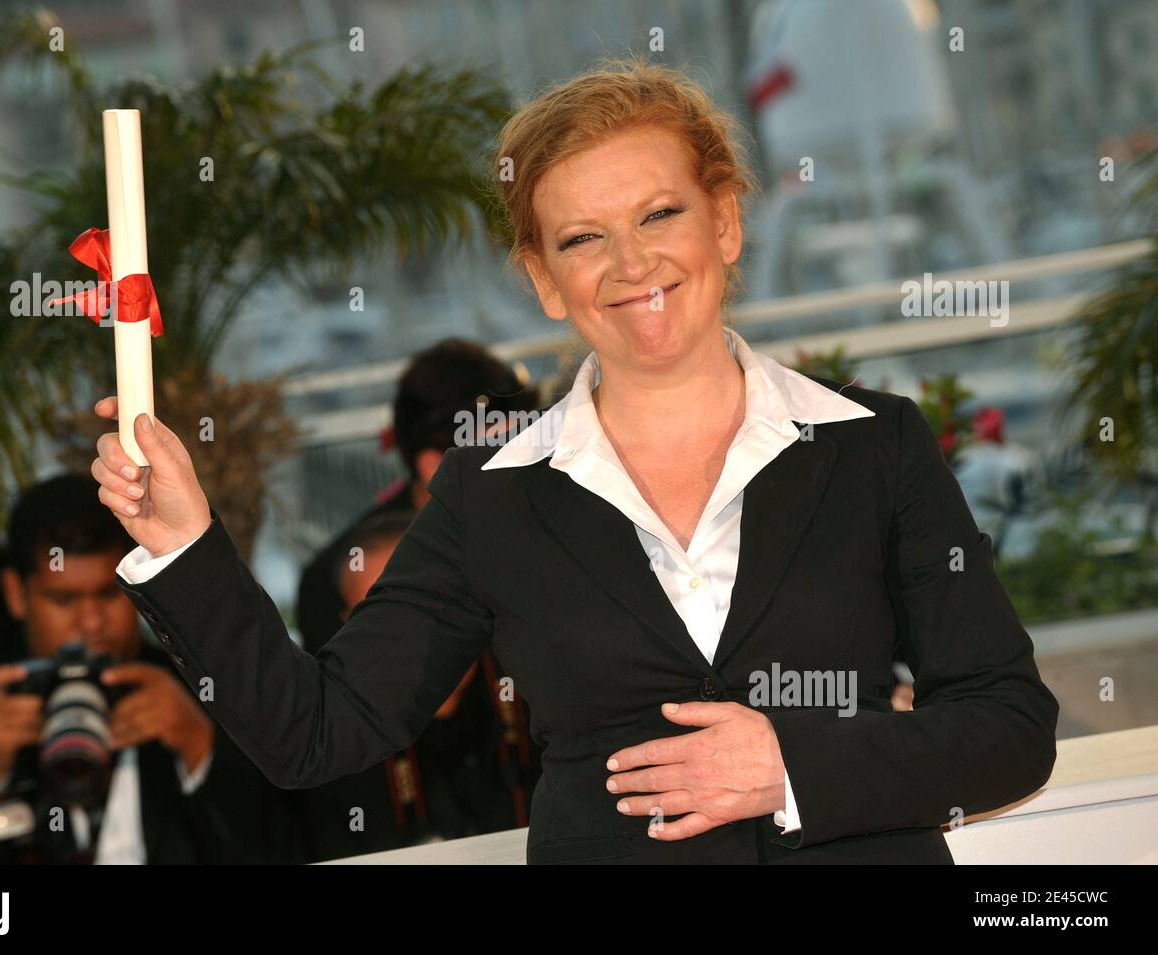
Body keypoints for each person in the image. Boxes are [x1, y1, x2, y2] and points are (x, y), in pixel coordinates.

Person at [91, 59, 1058, 864]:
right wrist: (185, 543)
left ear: (725, 221)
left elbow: (1011, 725)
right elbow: (320, 731)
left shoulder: (872, 443)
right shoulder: (492, 497)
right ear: (546, 281)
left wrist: (792, 766)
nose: (631, 264)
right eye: (583, 238)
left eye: (659, 214)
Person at [0, 474, 299, 863]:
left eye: (108, 594)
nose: (91, 622)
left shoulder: (200, 691)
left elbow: (280, 847)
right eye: (64, 599)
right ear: (17, 594)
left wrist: (200, 750)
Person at [298, 509, 538, 860]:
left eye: (423, 612)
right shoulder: (336, 749)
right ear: (347, 630)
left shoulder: (536, 689)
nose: (406, 645)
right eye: (377, 625)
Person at [295, 338, 539, 656]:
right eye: (504, 453)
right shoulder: (343, 582)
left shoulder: (544, 524)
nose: (527, 469)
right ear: (433, 466)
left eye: (531, 445)